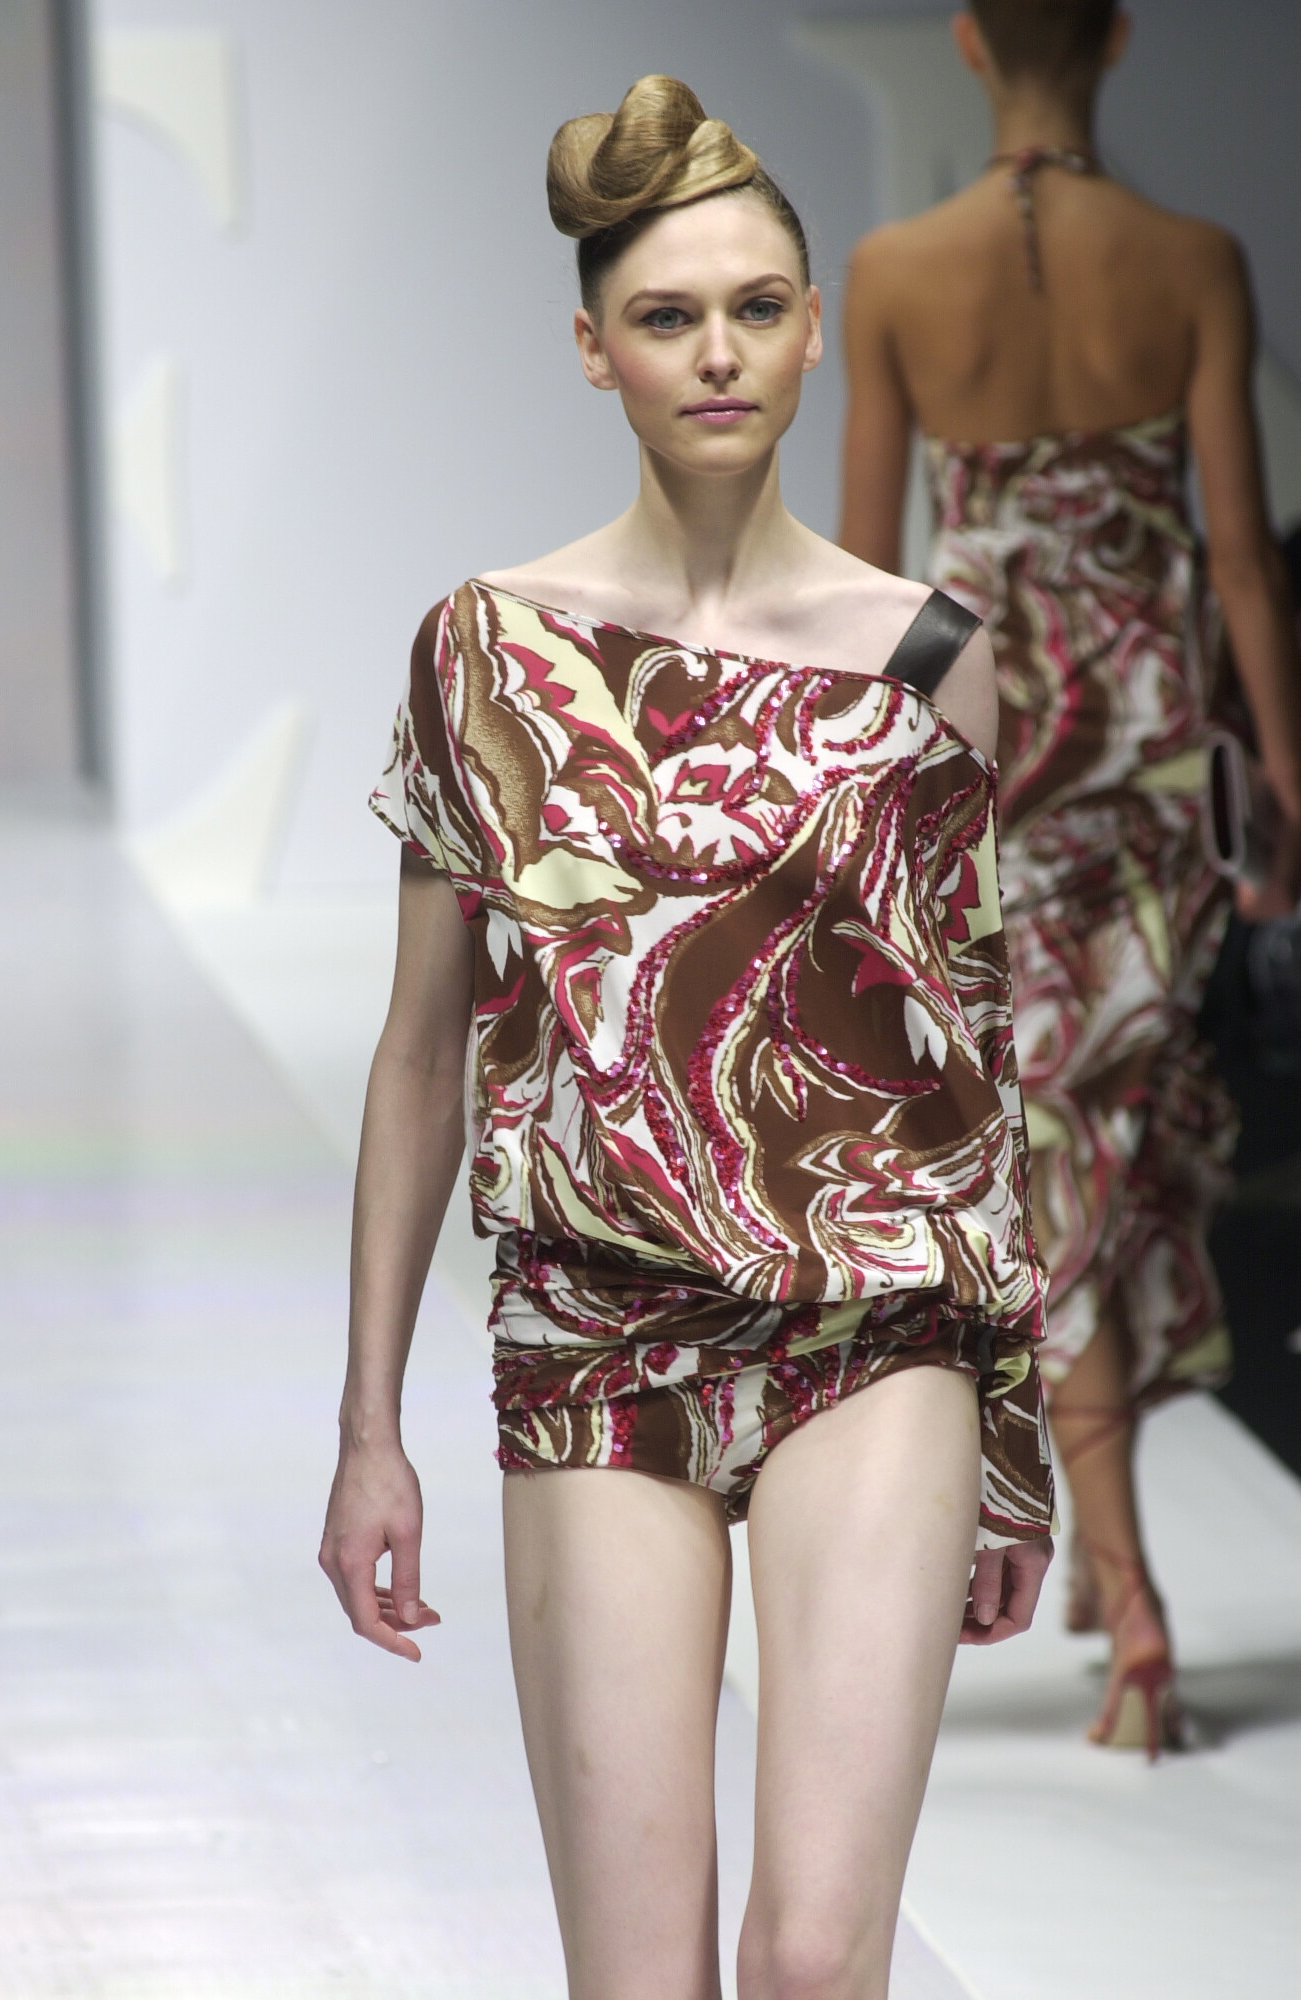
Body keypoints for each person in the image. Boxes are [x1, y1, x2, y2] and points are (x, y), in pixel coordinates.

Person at [321, 75, 1053, 2000]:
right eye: (666, 316)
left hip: (875, 1324)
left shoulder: (933, 660)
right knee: (639, 1980)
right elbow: (420, 1052)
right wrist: (368, 1429)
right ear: (594, 349)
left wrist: (1013, 1434)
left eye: (754, 308)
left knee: (813, 1960)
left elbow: (975, 1061)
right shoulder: (488, 654)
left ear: (813, 330)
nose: (716, 353)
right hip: (597, 1323)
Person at [839, 1, 1301, 1756]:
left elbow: (871, 581)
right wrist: (1288, 785)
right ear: (1115, 37)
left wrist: (873, 796)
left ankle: (1129, 1599)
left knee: (1064, 1155)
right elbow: (1241, 560)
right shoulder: (1195, 259)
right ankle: (1119, 1572)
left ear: (966, 45)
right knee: (1113, 1138)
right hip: (1152, 766)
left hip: (994, 763)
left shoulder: (893, 272)